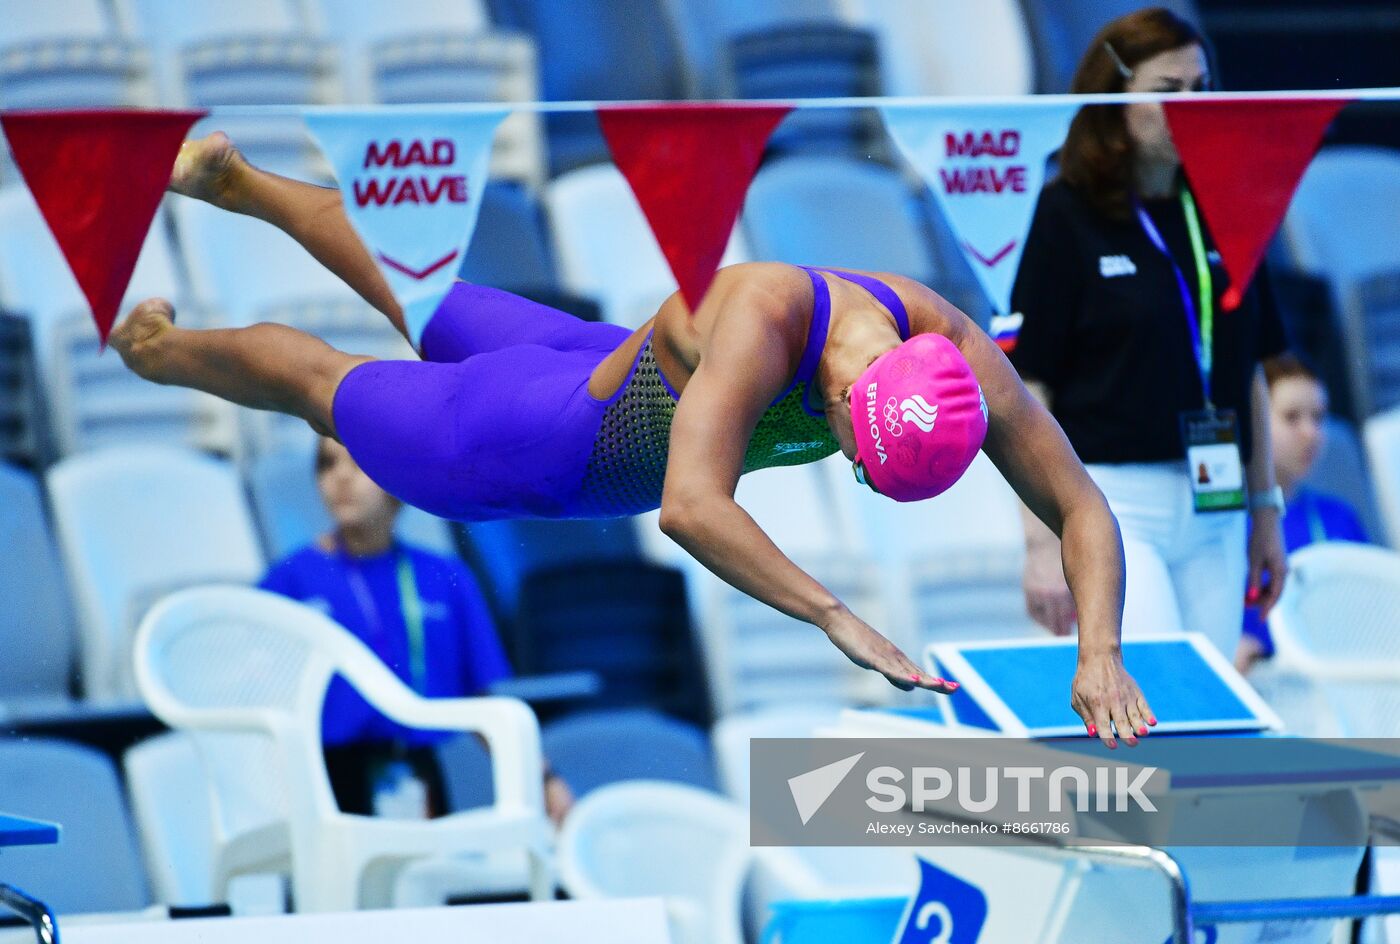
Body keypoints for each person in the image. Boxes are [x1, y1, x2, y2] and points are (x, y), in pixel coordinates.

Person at [112, 131, 1155, 747]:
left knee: (421, 292)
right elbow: (690, 505)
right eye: (862, 466)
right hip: (536, 447)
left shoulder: (952, 343)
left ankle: (240, 183)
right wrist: (835, 617)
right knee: (322, 384)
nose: (853, 480)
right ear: (847, 407)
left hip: (584, 363)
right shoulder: (761, 317)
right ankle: (164, 352)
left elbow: (1078, 504)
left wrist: (1097, 648)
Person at [1010, 8, 1290, 660]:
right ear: (1113, 102)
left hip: (1217, 504)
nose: (1191, 108)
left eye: (1202, 90)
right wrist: (1041, 540)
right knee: (1158, 690)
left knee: (1212, 704)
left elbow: (1246, 366)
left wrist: (1265, 510)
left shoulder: (1226, 209)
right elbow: (1028, 393)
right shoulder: (1064, 215)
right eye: (1168, 93)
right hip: (1113, 504)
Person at [259, 434, 575, 823]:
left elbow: (484, 701)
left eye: (357, 463)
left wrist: (544, 778)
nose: (340, 477)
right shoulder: (288, 581)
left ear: (398, 481)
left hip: (418, 773)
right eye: (327, 464)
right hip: (325, 779)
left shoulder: (445, 577)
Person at [1234, 354, 1371, 673]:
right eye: (1292, 417)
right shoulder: (1225, 525)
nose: (1311, 433)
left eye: (1318, 417)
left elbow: (1370, 613)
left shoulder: (1339, 518)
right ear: (1253, 420)